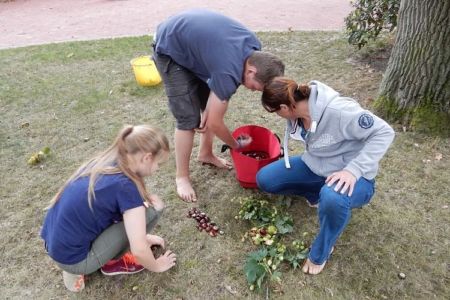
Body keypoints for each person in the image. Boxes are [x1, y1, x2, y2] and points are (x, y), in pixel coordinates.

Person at [256, 77, 395, 275]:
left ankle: (322, 250)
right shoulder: (299, 115)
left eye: (274, 111)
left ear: (284, 108)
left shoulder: (339, 111)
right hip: (318, 166)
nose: (277, 116)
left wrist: (352, 170)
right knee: (266, 179)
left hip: (357, 177)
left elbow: (384, 132)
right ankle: (316, 195)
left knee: (333, 198)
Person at [152, 9, 285, 202]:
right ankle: (182, 177)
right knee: (188, 119)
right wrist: (235, 145)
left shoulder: (254, 48)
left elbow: (217, 106)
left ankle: (205, 154)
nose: (253, 91)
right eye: (256, 87)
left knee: (210, 107)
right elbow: (215, 122)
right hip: (170, 47)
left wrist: (210, 109)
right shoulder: (228, 70)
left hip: (192, 44)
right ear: (251, 71)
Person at [41, 125, 177, 292]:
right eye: (159, 164)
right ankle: (110, 263)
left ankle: (72, 266)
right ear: (147, 158)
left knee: (136, 212)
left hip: (54, 244)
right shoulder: (126, 187)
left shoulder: (107, 161)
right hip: (75, 260)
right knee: (154, 208)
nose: (157, 169)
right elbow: (140, 250)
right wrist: (156, 265)